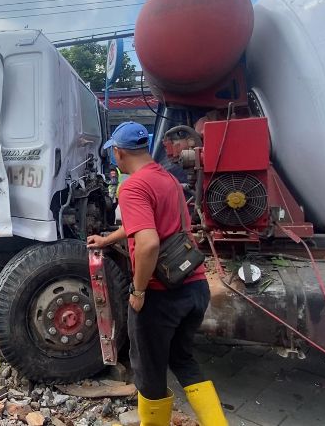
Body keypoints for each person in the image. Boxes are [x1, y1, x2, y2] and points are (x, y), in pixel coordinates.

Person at [87, 122, 227, 426]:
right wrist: (108, 240)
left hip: (162, 296)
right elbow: (150, 225)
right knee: (182, 359)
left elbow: (148, 241)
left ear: (119, 152)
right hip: (194, 287)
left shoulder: (133, 186)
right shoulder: (168, 179)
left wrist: (138, 292)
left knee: (149, 374)